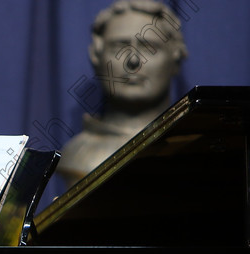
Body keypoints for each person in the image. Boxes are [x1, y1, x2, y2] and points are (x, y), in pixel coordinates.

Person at [57, 0, 188, 187]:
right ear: (96, 57)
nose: (133, 60)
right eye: (119, 47)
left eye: (148, 47)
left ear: (175, 58)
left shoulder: (195, 148)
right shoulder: (76, 154)